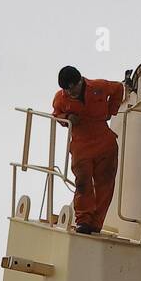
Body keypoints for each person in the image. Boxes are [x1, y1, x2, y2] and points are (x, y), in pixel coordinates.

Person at [52, 66, 126, 234]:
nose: (70, 92)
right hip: (81, 144)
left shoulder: (98, 87)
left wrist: (111, 111)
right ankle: (83, 222)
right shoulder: (60, 99)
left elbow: (118, 89)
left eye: (73, 87)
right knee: (83, 182)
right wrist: (66, 118)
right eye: (66, 89)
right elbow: (56, 114)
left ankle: (96, 224)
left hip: (104, 141)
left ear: (80, 81)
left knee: (105, 183)